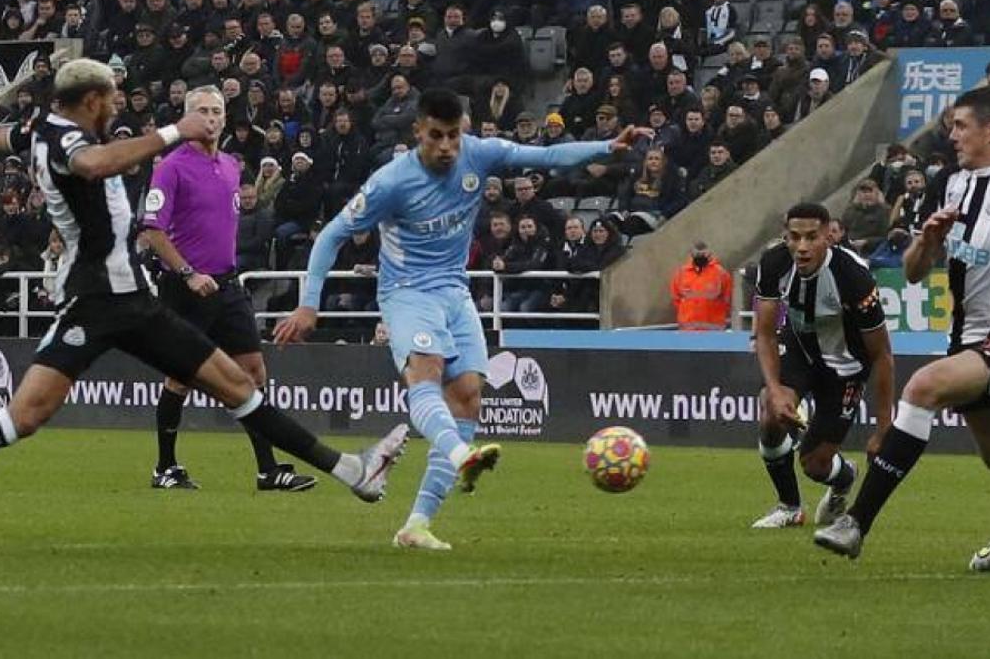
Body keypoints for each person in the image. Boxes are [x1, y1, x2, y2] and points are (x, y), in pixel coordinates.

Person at [0, 58, 409, 554]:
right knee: (24, 416)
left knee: (238, 385)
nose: (119, 107)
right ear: (93, 101)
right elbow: (94, 165)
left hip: (134, 301)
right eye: (114, 100)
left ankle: (354, 472)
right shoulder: (69, 143)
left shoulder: (38, 129)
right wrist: (175, 132)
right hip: (96, 302)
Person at [273, 87, 648, 550]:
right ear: (418, 133)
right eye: (437, 136)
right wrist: (309, 303)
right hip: (407, 293)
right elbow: (331, 235)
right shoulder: (392, 181)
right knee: (425, 374)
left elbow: (548, 155)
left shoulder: (479, 155)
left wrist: (607, 148)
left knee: (469, 398)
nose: (447, 146)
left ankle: (416, 525)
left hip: (455, 289)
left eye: (454, 135)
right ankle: (460, 452)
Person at [815, 86, 990, 569]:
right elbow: (914, 271)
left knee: (923, 387)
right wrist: (929, 241)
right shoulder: (951, 184)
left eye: (961, 126)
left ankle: (856, 523)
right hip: (967, 339)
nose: (950, 134)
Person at [142, 86, 314, 493]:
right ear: (186, 117)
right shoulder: (170, 166)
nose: (211, 118)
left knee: (253, 372)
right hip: (187, 287)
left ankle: (268, 469)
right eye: (202, 111)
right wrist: (186, 273)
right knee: (181, 377)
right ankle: (165, 467)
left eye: (217, 111)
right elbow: (152, 229)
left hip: (227, 284)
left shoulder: (232, 167)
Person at [752, 203, 895, 531]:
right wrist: (774, 390)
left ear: (828, 236)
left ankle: (844, 479)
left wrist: (884, 429)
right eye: (795, 237)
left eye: (811, 237)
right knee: (770, 413)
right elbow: (764, 333)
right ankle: (789, 507)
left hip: (844, 367)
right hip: (800, 350)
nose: (802, 247)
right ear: (785, 236)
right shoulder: (773, 262)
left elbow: (883, 355)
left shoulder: (853, 276)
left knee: (815, 465)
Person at [670, 241, 732, 331]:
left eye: (703, 254)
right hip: (688, 330)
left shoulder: (720, 273)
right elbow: (676, 298)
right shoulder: (681, 273)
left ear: (709, 253)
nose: (700, 257)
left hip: (713, 330)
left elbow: (728, 299)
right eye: (697, 254)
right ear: (691, 254)